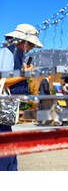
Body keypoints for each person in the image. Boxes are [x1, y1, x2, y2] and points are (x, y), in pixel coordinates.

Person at [0, 23, 43, 171]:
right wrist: (26, 74)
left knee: (9, 153)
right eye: (30, 43)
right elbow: (2, 80)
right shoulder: (7, 52)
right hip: (1, 109)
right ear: (22, 41)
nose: (31, 47)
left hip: (4, 112)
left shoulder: (14, 53)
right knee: (5, 154)